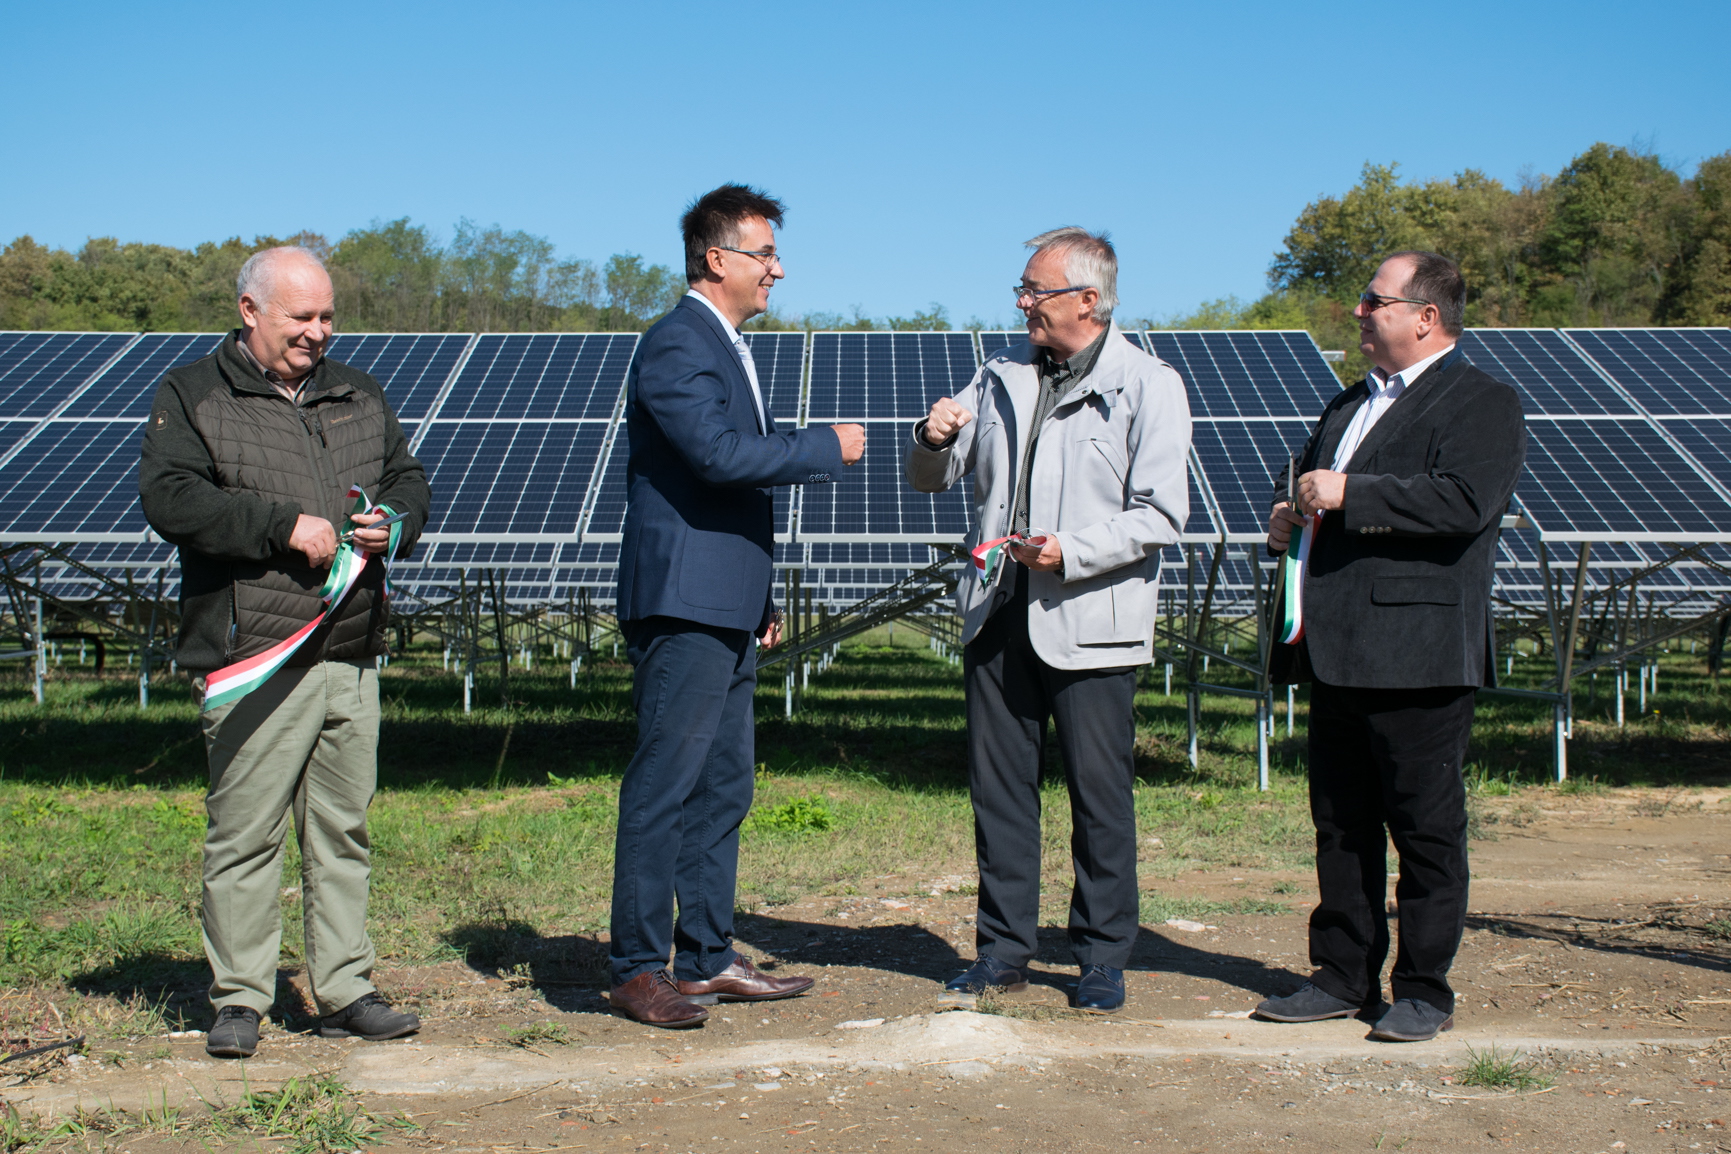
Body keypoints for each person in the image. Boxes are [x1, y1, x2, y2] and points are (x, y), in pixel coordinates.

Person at [139, 246, 430, 1059]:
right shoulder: (193, 394)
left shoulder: (358, 392)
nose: (318, 331)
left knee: (342, 831)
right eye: (301, 316)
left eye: (327, 315)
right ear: (249, 311)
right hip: (257, 654)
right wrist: (279, 526)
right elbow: (170, 498)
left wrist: (395, 522)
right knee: (246, 835)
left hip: (350, 648)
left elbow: (407, 478)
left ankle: (344, 989)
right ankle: (239, 998)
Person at [905, 228, 1191, 1013]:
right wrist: (931, 437)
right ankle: (1001, 952)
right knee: (999, 792)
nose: (1022, 303)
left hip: (1090, 617)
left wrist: (1070, 551)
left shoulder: (1148, 384)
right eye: (1022, 290)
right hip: (996, 609)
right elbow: (934, 476)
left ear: (1087, 301)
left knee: (1099, 795)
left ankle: (1100, 957)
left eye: (1035, 290)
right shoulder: (996, 374)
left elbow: (1160, 514)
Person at [608, 185, 865, 1028]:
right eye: (765, 254)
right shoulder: (677, 342)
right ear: (716, 258)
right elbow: (717, 457)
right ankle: (637, 967)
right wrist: (821, 446)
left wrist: (758, 595)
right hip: (683, 604)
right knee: (665, 785)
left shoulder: (725, 345)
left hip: (723, 602)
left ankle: (707, 956)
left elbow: (724, 490)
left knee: (723, 787)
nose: (777, 270)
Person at [1256, 251, 1525, 1043]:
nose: (1358, 313)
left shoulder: (1481, 400)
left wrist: (1351, 492)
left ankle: (1422, 990)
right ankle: (1340, 975)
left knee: (1423, 829)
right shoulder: (1348, 404)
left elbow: (1466, 501)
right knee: (1340, 824)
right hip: (1335, 648)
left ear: (1424, 317)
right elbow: (1311, 492)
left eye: (1374, 301)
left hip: (1419, 651)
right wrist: (1285, 521)